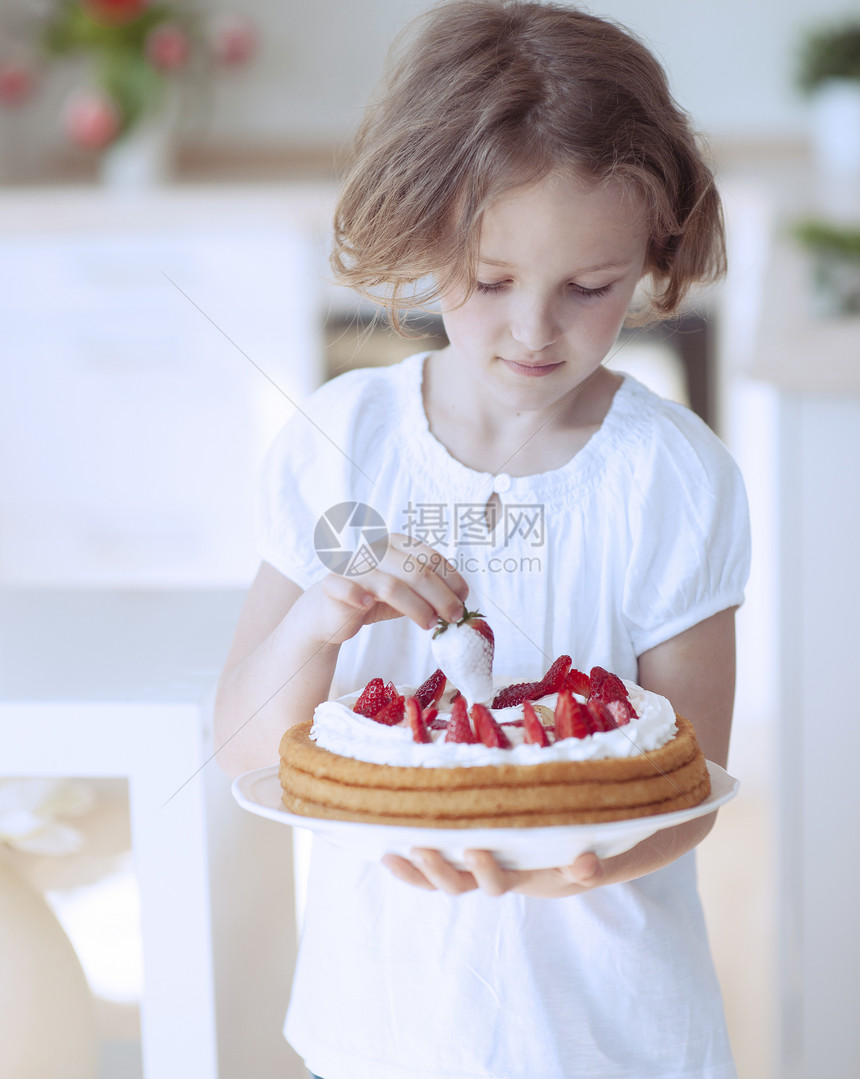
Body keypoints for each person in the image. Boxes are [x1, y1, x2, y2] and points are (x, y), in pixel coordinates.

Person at [214, 2, 750, 1076]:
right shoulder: (340, 441)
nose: (533, 328)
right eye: (491, 280)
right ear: (420, 231)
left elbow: (687, 774)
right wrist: (324, 616)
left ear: (651, 253)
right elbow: (245, 748)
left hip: (613, 1029)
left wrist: (573, 863)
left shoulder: (671, 474)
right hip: (383, 1018)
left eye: (589, 288)